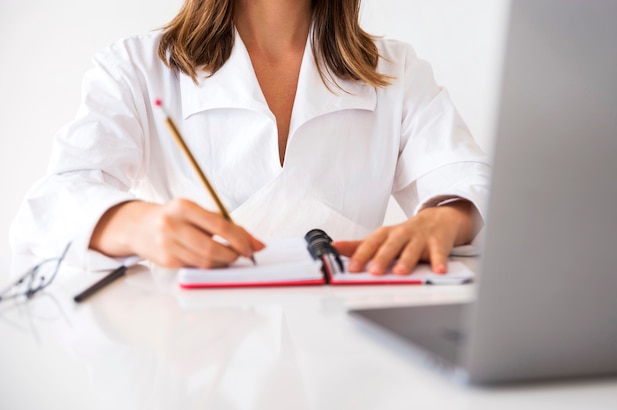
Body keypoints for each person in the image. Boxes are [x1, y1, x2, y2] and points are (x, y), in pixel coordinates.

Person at [10, 0, 490, 276]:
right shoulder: (136, 68)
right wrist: (135, 225)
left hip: (347, 354)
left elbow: (471, 182)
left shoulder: (394, 70)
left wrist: (444, 222)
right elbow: (48, 207)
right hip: (194, 354)